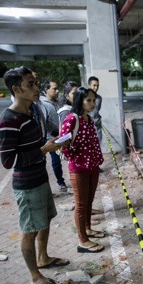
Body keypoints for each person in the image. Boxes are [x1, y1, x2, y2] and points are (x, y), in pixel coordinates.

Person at [0, 66, 70, 284]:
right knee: (30, 229)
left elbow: (38, 143)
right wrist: (43, 150)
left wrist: (55, 141)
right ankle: (35, 276)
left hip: (40, 177)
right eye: (30, 84)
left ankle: (43, 258)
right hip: (26, 185)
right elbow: (8, 160)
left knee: (45, 220)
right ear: (16, 89)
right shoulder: (7, 120)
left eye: (35, 83)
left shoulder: (34, 110)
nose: (36, 88)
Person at [59, 86, 105, 253]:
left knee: (89, 201)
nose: (92, 104)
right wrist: (76, 158)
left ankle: (88, 229)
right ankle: (83, 241)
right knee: (80, 204)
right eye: (88, 100)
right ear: (80, 101)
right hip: (79, 169)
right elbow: (63, 144)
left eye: (93, 100)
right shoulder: (72, 119)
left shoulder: (88, 119)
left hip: (93, 166)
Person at [40, 80, 67, 192]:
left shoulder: (58, 102)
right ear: (47, 90)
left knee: (62, 158)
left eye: (57, 89)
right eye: (54, 89)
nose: (57, 91)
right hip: (51, 138)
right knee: (56, 160)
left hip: (61, 136)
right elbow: (44, 122)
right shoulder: (44, 105)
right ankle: (60, 182)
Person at [87, 76, 103, 144]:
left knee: (98, 146)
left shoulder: (99, 98)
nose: (96, 88)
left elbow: (97, 111)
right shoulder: (84, 97)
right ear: (89, 85)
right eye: (94, 85)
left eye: (97, 86)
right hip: (87, 127)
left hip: (97, 126)